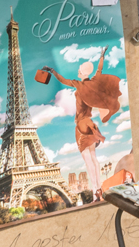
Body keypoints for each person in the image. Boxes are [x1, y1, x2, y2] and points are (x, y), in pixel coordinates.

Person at [47, 57, 124, 199]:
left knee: (88, 161)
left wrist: (52, 71)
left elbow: (63, 80)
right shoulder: (93, 82)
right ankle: (99, 189)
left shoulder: (78, 84)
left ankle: (95, 192)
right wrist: (102, 56)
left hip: (82, 123)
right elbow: (99, 70)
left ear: (82, 72)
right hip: (90, 123)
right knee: (94, 158)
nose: (77, 70)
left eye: (79, 68)